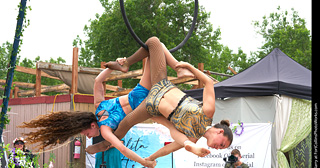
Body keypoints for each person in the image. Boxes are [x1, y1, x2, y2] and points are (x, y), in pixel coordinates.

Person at [20, 43, 194, 168]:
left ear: (93, 124)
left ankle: (178, 70)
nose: (89, 135)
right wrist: (113, 67)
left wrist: (144, 162)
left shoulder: (104, 130)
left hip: (144, 106)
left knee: (153, 46)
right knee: (153, 45)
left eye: (88, 133)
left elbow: (123, 148)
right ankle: (178, 67)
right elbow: (98, 81)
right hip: (140, 93)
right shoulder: (99, 105)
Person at [89, 36, 233, 159]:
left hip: (151, 106)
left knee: (125, 124)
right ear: (220, 131)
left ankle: (106, 144)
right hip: (161, 86)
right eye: (222, 144)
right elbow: (208, 82)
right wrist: (189, 67)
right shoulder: (208, 112)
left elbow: (167, 149)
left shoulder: (192, 138)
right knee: (153, 42)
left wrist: (151, 158)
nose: (218, 148)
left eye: (221, 148)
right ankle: (174, 67)